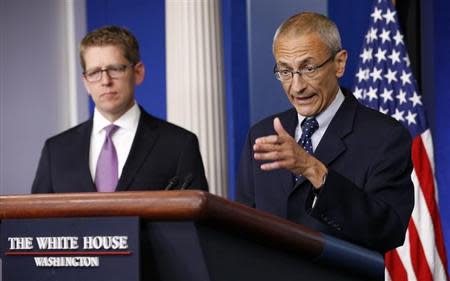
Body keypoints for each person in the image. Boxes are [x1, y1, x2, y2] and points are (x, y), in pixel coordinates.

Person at [236, 12, 413, 254]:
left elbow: (388, 230)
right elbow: (243, 229)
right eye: (285, 72)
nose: (297, 86)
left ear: (339, 63)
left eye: (308, 68)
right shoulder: (261, 134)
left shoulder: (385, 137)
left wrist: (314, 170)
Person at [32, 25, 208, 193]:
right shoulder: (56, 151)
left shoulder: (178, 145)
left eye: (115, 69)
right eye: (94, 73)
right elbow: (36, 222)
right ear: (85, 83)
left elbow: (195, 223)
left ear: (138, 73)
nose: (105, 81)